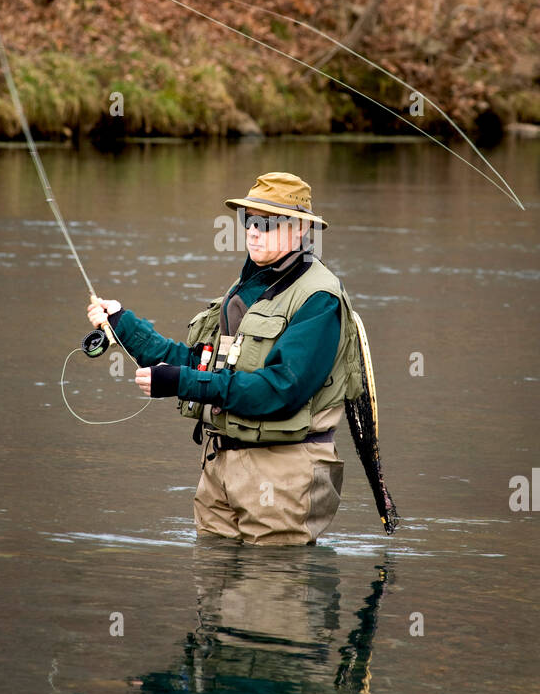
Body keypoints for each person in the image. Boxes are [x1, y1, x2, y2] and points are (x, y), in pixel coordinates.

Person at [87, 171, 363, 547]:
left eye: (267, 222)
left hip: (281, 477)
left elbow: (279, 390)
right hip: (218, 472)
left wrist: (179, 382)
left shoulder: (319, 299)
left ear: (299, 229)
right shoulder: (244, 290)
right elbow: (201, 363)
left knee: (272, 596)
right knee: (214, 598)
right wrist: (123, 324)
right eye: (249, 220)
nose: (253, 231)